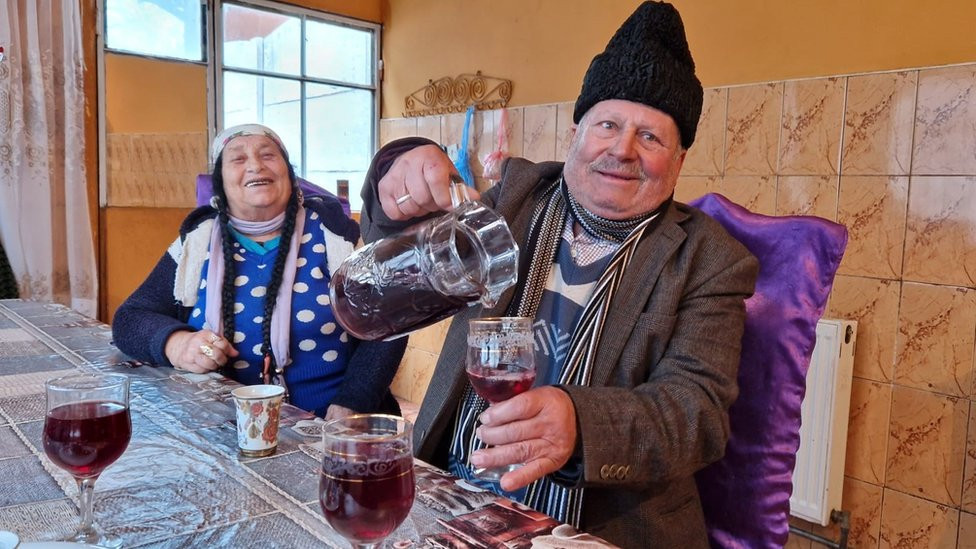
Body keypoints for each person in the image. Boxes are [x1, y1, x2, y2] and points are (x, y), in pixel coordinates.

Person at [358, 2, 759, 547]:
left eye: (651, 137)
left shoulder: (709, 259)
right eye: (608, 125)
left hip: (600, 524)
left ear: (680, 160)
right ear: (577, 131)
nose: (622, 149)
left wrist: (580, 423)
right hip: (457, 487)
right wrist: (395, 171)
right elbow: (393, 262)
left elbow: (698, 413)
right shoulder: (512, 200)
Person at [113, 123, 406, 419]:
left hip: (328, 426)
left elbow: (390, 321)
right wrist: (177, 344)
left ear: (289, 175)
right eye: (238, 159)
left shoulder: (336, 237)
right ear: (221, 182)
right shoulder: (198, 240)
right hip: (219, 429)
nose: (255, 165)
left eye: (268, 156)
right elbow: (130, 317)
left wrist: (354, 402)